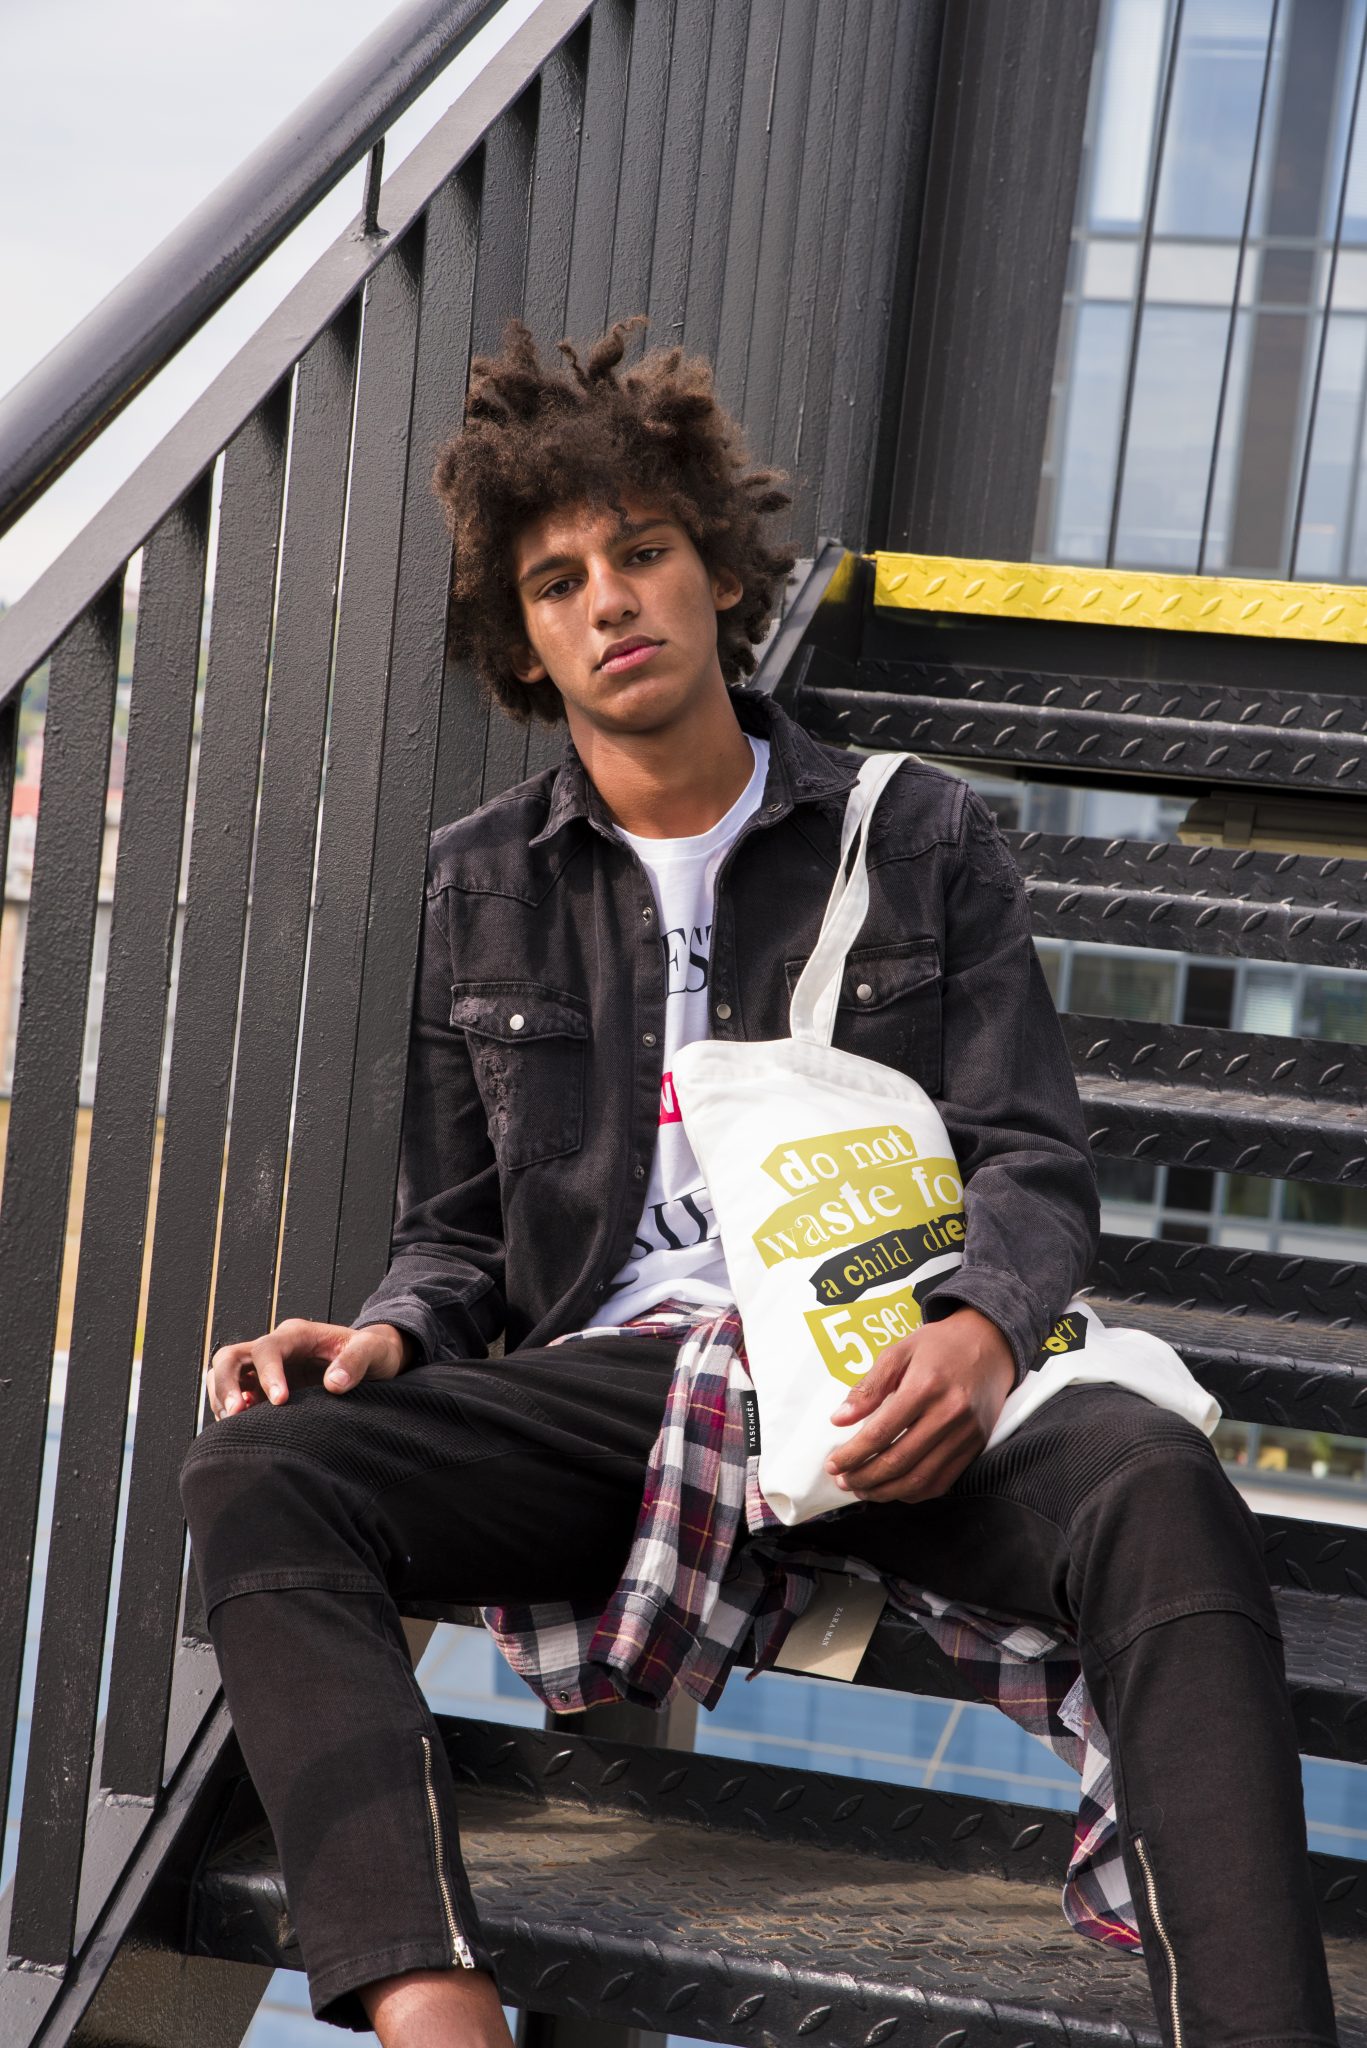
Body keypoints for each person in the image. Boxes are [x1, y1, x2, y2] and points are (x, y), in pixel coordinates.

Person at [180, 319, 1338, 2048]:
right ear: (522, 641)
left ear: (717, 571)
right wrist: (389, 1339)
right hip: (619, 1397)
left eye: (640, 551)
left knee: (1160, 1485)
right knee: (262, 1465)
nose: (609, 601)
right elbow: (458, 1235)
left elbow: (1031, 1158)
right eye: (558, 581)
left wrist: (983, 1335)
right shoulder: (479, 886)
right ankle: (432, 2007)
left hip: (886, 1372)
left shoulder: (916, 830)